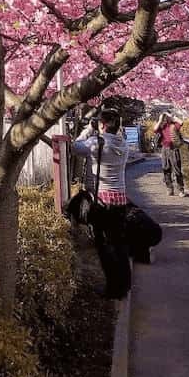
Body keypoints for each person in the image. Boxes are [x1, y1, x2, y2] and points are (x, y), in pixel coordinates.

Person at [72, 108, 131, 300]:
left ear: (103, 124)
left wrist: (88, 130)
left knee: (104, 247)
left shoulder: (96, 143)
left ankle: (113, 289)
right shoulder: (124, 144)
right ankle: (124, 285)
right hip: (120, 200)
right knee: (120, 245)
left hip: (102, 203)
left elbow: (75, 146)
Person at [154, 112, 189, 196]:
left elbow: (181, 122)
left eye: (167, 117)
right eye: (166, 117)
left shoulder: (174, 125)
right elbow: (155, 129)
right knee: (166, 169)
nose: (166, 118)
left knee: (177, 169)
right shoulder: (162, 126)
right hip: (165, 149)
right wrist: (160, 119)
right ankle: (169, 188)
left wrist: (172, 117)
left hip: (174, 149)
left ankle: (181, 189)